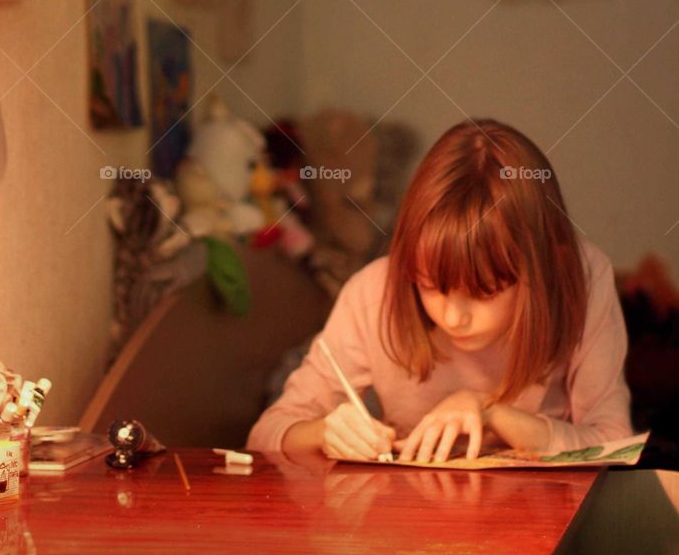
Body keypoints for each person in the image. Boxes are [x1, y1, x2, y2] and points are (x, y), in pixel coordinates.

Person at [247, 119, 632, 463]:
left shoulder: (579, 278)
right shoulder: (375, 292)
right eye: (430, 285)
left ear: (541, 266)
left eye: (484, 292)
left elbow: (614, 446)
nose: (452, 317)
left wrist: (492, 412)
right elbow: (265, 436)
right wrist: (324, 433)